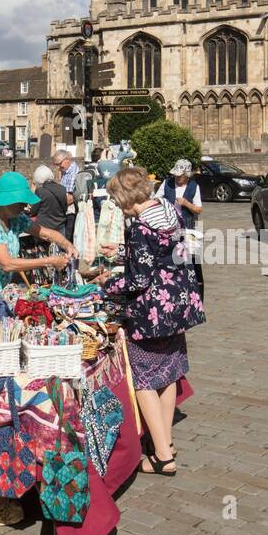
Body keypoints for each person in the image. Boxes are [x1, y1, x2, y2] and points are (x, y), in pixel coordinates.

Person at [105, 166, 205, 477]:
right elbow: (162, 253)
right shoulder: (170, 211)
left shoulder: (139, 227)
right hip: (179, 305)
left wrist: (106, 286)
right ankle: (167, 443)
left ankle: (162, 456)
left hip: (152, 313)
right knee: (168, 373)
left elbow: (139, 279)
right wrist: (123, 252)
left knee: (145, 379)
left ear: (124, 197)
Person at [0, 170, 76, 298]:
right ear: (7, 201)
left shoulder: (16, 217)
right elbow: (6, 264)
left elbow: (45, 233)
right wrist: (50, 261)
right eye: (21, 202)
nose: (25, 206)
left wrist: (67, 245)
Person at [162, 158, 204, 298]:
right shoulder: (167, 183)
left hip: (187, 227)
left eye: (179, 175)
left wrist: (186, 203)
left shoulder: (194, 187)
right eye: (175, 175)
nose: (176, 178)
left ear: (187, 175)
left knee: (190, 261)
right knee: (171, 260)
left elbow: (198, 209)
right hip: (168, 226)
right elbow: (156, 199)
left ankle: (194, 292)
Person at [31, 164, 68, 234]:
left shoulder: (40, 191)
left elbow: (33, 211)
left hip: (45, 227)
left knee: (42, 245)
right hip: (60, 225)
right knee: (60, 244)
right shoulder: (62, 188)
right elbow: (65, 207)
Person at [52, 150, 79, 240]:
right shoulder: (65, 170)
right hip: (64, 209)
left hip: (69, 211)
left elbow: (71, 197)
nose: (59, 168)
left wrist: (55, 205)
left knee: (67, 238)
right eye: (57, 165)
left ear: (67, 159)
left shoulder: (73, 172)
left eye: (59, 164)